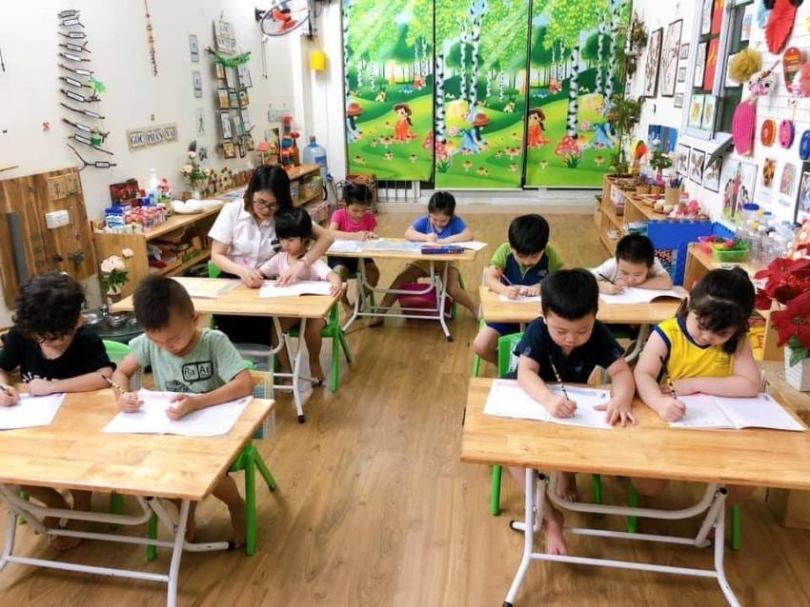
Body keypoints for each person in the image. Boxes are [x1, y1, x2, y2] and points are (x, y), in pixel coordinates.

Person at [111, 275, 254, 546]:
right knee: (160, 470)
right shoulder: (148, 343)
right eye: (157, 341)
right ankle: (184, 510)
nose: (167, 347)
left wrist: (197, 402)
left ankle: (236, 505)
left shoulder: (213, 342)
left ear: (195, 319)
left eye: (174, 339)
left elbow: (244, 384)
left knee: (207, 470)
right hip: (174, 429)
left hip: (215, 429)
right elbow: (120, 373)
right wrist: (122, 395)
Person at [512, 269, 635, 555]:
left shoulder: (599, 334)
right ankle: (550, 518)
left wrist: (622, 398)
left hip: (572, 402)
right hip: (532, 397)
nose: (571, 339)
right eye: (561, 331)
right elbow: (525, 373)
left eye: (582, 331)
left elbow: (621, 372)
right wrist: (547, 399)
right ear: (544, 316)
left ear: (594, 315)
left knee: (578, 430)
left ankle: (566, 473)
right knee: (514, 457)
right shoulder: (538, 330)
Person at [0, 272, 114, 549]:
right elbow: (2, 367)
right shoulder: (22, 335)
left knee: (77, 459)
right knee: (9, 464)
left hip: (80, 427)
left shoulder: (86, 339)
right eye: (40, 338)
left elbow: (105, 376)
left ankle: (81, 507)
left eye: (55, 339)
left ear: (77, 322)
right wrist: (3, 387)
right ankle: (55, 503)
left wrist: (54, 386)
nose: (46, 343)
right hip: (33, 424)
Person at [632, 268, 760, 498]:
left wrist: (695, 384)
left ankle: (713, 516)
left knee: (746, 482)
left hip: (720, 431)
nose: (708, 337)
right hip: (672, 422)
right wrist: (660, 403)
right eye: (701, 326)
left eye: (722, 333)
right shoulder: (668, 333)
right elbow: (643, 374)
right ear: (690, 301)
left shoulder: (738, 341)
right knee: (649, 487)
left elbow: (750, 384)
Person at [208, 165, 334, 345]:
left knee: (268, 322)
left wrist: (303, 262)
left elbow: (326, 237)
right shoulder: (232, 211)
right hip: (235, 279)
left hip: (270, 285)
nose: (266, 210)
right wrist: (242, 271)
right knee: (229, 318)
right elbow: (217, 255)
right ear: (250, 193)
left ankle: (265, 360)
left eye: (273, 204)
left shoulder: (286, 217)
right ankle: (245, 359)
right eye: (260, 202)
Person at [259, 208, 343, 384]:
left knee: (312, 331)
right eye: (282, 239)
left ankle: (314, 360)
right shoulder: (279, 259)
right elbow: (261, 272)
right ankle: (286, 368)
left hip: (313, 313)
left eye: (290, 240)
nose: (285, 244)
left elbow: (332, 276)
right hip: (290, 311)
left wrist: (336, 283)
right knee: (275, 330)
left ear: (304, 238)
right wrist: (254, 276)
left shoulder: (311, 261)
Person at [372, 191, 477, 325]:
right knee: (399, 280)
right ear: (429, 214)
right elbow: (408, 233)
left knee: (452, 289)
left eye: (443, 220)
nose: (438, 223)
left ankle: (475, 309)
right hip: (425, 260)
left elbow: (469, 235)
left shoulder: (456, 221)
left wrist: (447, 240)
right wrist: (426, 237)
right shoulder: (424, 221)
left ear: (451, 216)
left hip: (447, 261)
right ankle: (380, 313)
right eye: (434, 219)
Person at [472, 214, 564, 365]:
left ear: (544, 247)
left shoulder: (550, 253)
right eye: (520, 256)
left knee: (558, 347)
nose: (527, 261)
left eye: (534, 256)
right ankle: (508, 366)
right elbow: (489, 278)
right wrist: (504, 290)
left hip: (539, 319)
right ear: (511, 246)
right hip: (505, 316)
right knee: (481, 346)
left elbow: (561, 280)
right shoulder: (504, 251)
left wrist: (542, 287)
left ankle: (530, 367)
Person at [327, 182, 379, 314]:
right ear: (345, 204)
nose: (360, 214)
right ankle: (345, 304)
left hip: (360, 256)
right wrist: (353, 236)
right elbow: (330, 233)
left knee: (374, 273)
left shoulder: (369, 218)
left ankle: (358, 302)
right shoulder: (339, 215)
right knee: (339, 272)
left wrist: (371, 236)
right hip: (339, 256)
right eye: (355, 210)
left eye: (364, 210)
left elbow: (370, 235)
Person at [591, 233, 673, 295]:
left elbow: (667, 283)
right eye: (624, 273)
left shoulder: (652, 262)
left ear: (650, 267)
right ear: (618, 262)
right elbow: (584, 280)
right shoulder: (612, 265)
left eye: (637, 275)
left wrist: (630, 285)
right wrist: (600, 286)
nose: (630, 280)